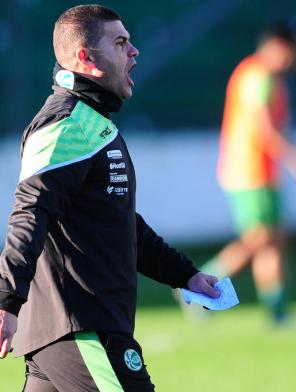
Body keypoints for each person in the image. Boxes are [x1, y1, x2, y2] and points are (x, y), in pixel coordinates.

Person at [0, 5, 219, 391]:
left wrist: (185, 275)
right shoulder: (66, 124)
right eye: (120, 42)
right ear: (85, 57)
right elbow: (32, 212)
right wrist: (6, 297)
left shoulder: (94, 124)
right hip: (83, 328)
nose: (133, 52)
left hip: (76, 330)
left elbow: (121, 222)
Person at [200, 23, 296, 324]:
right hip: (247, 170)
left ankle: (277, 311)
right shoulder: (257, 76)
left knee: (274, 239)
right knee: (258, 239)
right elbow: (264, 129)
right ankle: (199, 288)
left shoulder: (269, 78)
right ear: (281, 46)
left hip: (264, 171)